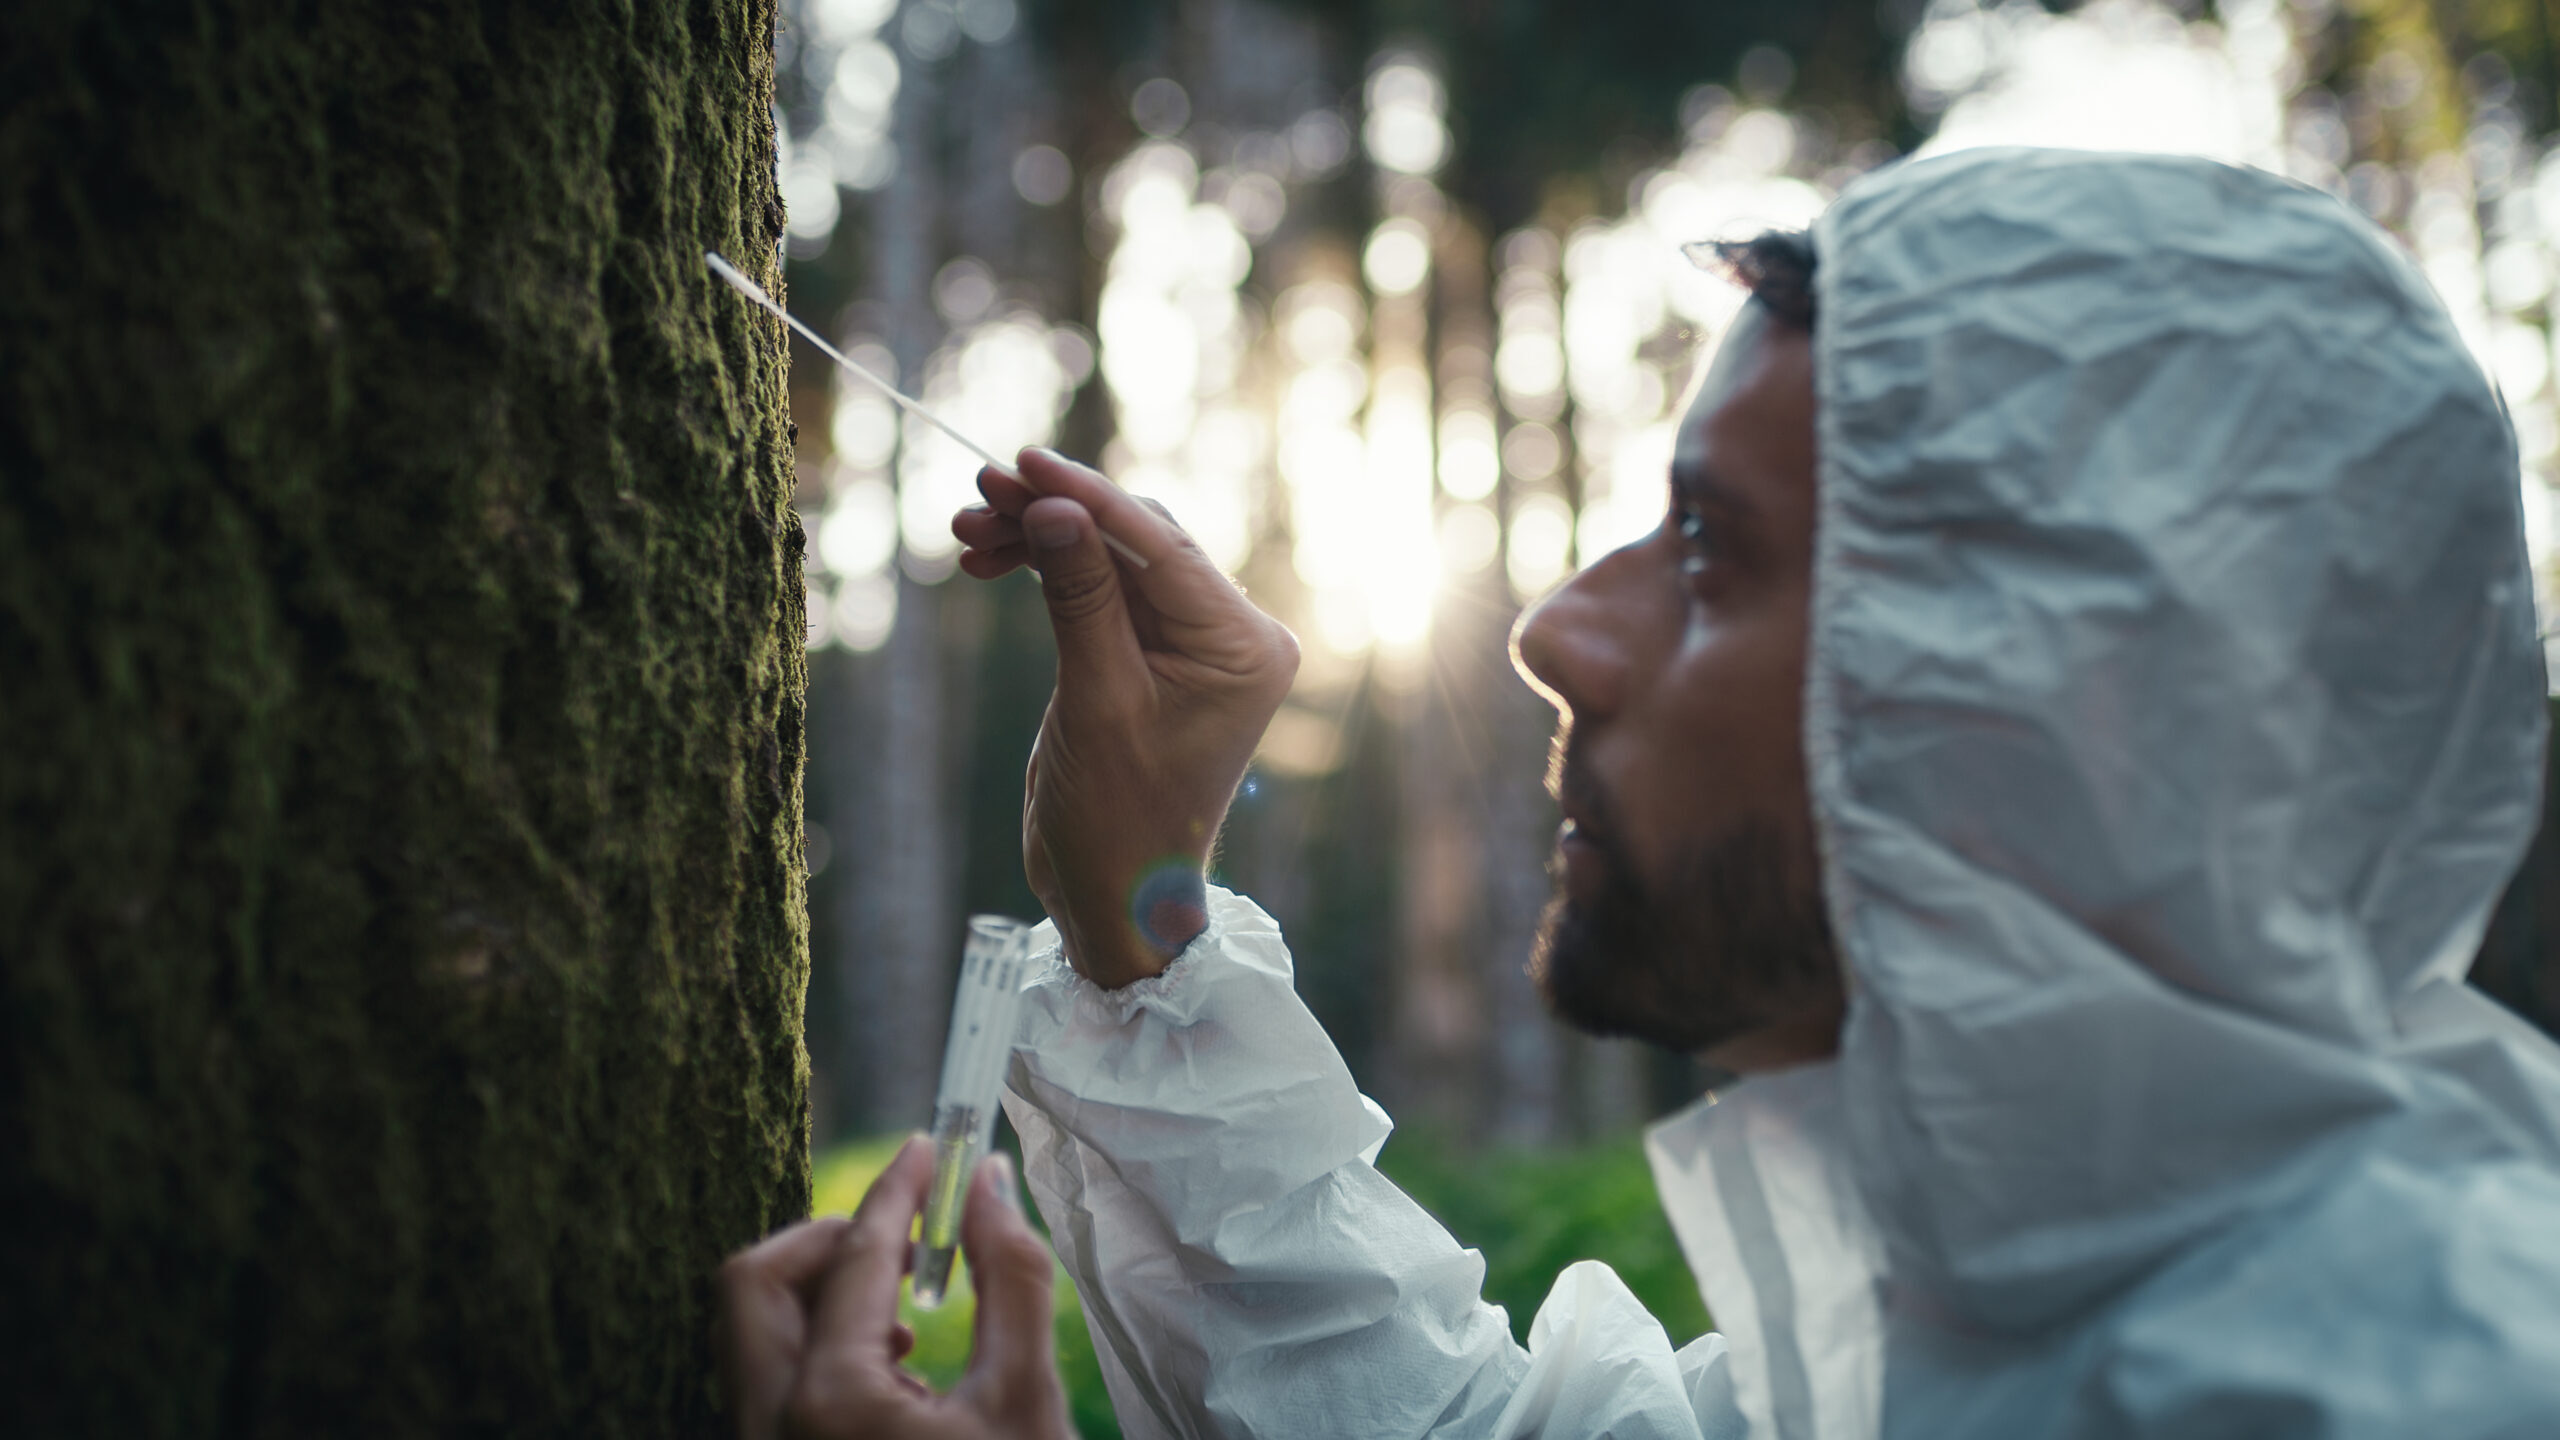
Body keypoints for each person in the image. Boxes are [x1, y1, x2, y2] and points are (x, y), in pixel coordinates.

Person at [719, 148, 2560, 1438]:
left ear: (2064, 712)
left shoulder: (2399, 1387)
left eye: (1715, 554)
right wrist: (1143, 919)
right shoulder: (2039, 1296)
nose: (1555, 626)